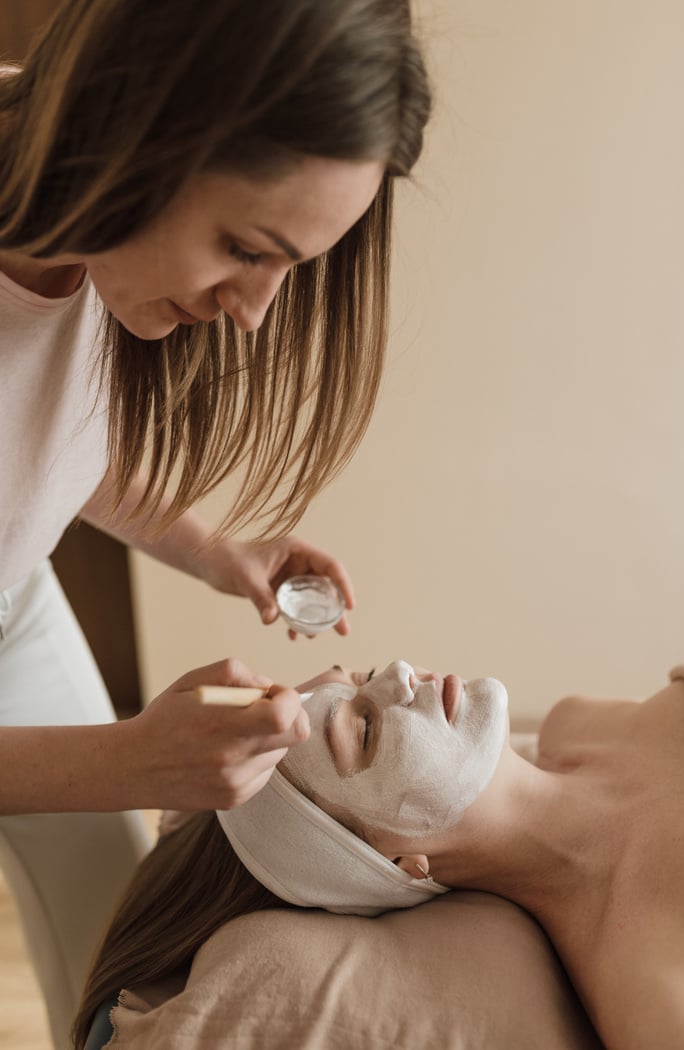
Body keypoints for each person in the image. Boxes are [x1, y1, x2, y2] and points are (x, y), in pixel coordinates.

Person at [0, 0, 431, 1043]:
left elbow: (38, 438)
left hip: (14, 606)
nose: (255, 311)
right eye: (243, 247)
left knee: (112, 914)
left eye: (294, 265)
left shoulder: (80, 226)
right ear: (127, 127)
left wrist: (215, 549)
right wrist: (127, 762)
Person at [72, 658, 684, 1050]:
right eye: (365, 728)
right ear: (401, 862)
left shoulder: (580, 721)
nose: (401, 672)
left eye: (365, 675)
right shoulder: (650, 988)